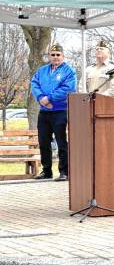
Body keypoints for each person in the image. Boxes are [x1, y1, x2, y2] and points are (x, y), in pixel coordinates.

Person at [31, 44, 77, 181]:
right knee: (43, 141)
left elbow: (68, 88)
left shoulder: (69, 71)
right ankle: (46, 171)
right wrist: (41, 98)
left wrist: (49, 98)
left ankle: (64, 171)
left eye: (58, 55)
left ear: (63, 56)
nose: (55, 57)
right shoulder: (42, 70)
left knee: (61, 141)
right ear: (49, 56)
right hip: (44, 112)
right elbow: (34, 84)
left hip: (60, 111)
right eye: (53, 54)